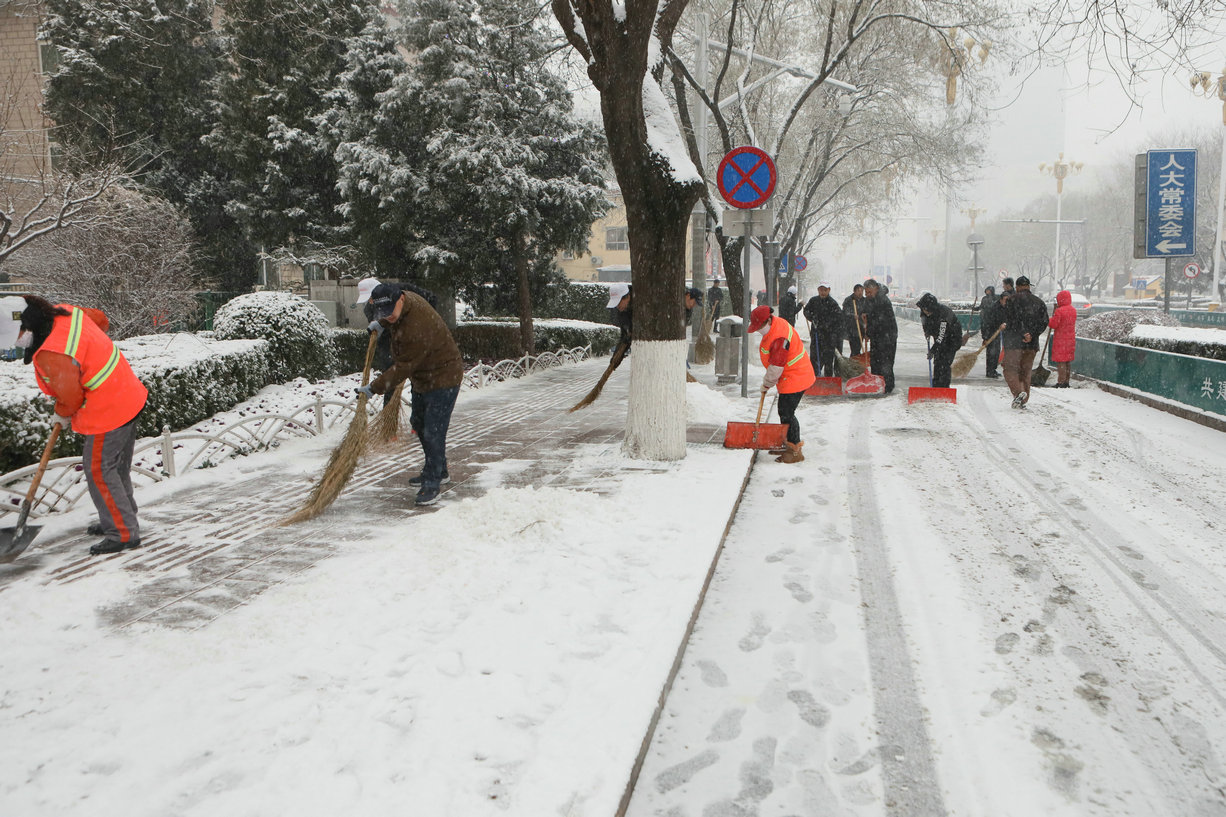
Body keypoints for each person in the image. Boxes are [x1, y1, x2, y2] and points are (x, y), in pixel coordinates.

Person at [17, 296, 148, 555]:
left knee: (99, 469)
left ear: (29, 328)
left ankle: (122, 532)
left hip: (107, 410)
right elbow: (100, 319)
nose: (18, 340)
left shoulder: (52, 353)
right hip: (128, 393)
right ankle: (121, 516)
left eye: (19, 335)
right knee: (116, 467)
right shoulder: (66, 313)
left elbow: (71, 397)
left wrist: (61, 413)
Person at [359, 283, 464, 505]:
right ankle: (440, 469)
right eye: (382, 313)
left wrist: (374, 388)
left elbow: (403, 366)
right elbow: (396, 322)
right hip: (425, 376)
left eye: (389, 312)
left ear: (400, 299)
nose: (388, 316)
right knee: (418, 421)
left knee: (433, 430)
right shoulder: (405, 301)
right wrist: (383, 324)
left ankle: (433, 483)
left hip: (444, 376)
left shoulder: (417, 326)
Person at [746, 305, 816, 463]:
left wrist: (766, 384)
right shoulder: (777, 324)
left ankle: (795, 450)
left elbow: (777, 366)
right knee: (785, 411)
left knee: (787, 412)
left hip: (796, 377)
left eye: (760, 327)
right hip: (793, 375)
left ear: (768, 320)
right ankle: (788, 443)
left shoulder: (779, 337)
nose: (758, 330)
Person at [1000, 275, 1050, 408]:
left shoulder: (1012, 300)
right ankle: (1022, 400)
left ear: (1016, 287)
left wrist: (1022, 333)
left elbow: (1012, 320)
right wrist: (1031, 335)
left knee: (1010, 369)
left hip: (1014, 343)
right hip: (1031, 345)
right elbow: (1044, 322)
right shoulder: (1039, 302)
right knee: (1025, 372)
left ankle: (1018, 393)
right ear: (1029, 286)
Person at [917, 292, 962, 388]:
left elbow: (942, 336)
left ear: (931, 308)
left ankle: (944, 388)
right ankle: (936, 386)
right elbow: (924, 322)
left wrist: (932, 350)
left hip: (952, 339)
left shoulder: (944, 315)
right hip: (940, 337)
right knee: (937, 362)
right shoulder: (925, 311)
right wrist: (927, 332)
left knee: (945, 363)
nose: (924, 311)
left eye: (926, 309)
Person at [861, 278, 898, 393]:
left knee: (885, 362)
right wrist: (864, 314)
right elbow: (868, 313)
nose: (867, 294)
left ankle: (887, 386)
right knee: (875, 361)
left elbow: (878, 320)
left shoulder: (882, 300)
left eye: (869, 292)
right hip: (876, 336)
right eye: (865, 292)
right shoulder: (870, 299)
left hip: (887, 335)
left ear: (876, 288)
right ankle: (876, 383)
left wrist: (869, 333)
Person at [802, 281, 843, 377]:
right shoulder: (813, 301)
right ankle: (814, 378)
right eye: (821, 290)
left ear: (829, 290)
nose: (823, 292)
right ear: (818, 290)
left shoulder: (833, 303)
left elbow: (839, 317)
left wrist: (828, 324)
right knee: (815, 358)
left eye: (825, 290)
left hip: (829, 337)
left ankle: (828, 379)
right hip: (816, 334)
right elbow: (806, 311)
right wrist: (811, 317)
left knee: (828, 359)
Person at [1048, 289, 1078, 388]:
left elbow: (1054, 324)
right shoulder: (1073, 310)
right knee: (1067, 361)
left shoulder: (1059, 311)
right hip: (1070, 339)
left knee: (1061, 361)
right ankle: (1066, 381)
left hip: (1061, 339)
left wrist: (1050, 319)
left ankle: (1061, 382)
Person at [978, 285, 1003, 378]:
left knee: (995, 351)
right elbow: (981, 307)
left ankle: (992, 369)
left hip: (993, 328)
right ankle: (990, 370)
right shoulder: (987, 299)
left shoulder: (994, 299)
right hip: (990, 329)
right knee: (992, 351)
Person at [842, 283, 866, 357]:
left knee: (858, 347)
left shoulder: (865, 301)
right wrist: (852, 316)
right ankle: (854, 361)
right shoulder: (849, 300)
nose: (860, 292)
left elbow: (867, 311)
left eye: (862, 291)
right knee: (855, 348)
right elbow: (845, 312)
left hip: (861, 327)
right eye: (858, 291)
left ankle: (856, 362)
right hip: (852, 328)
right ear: (854, 291)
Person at [607, 282, 632, 352]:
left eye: (618, 302)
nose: (617, 306)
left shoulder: (642, 306)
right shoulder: (622, 310)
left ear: (628, 297)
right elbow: (624, 338)